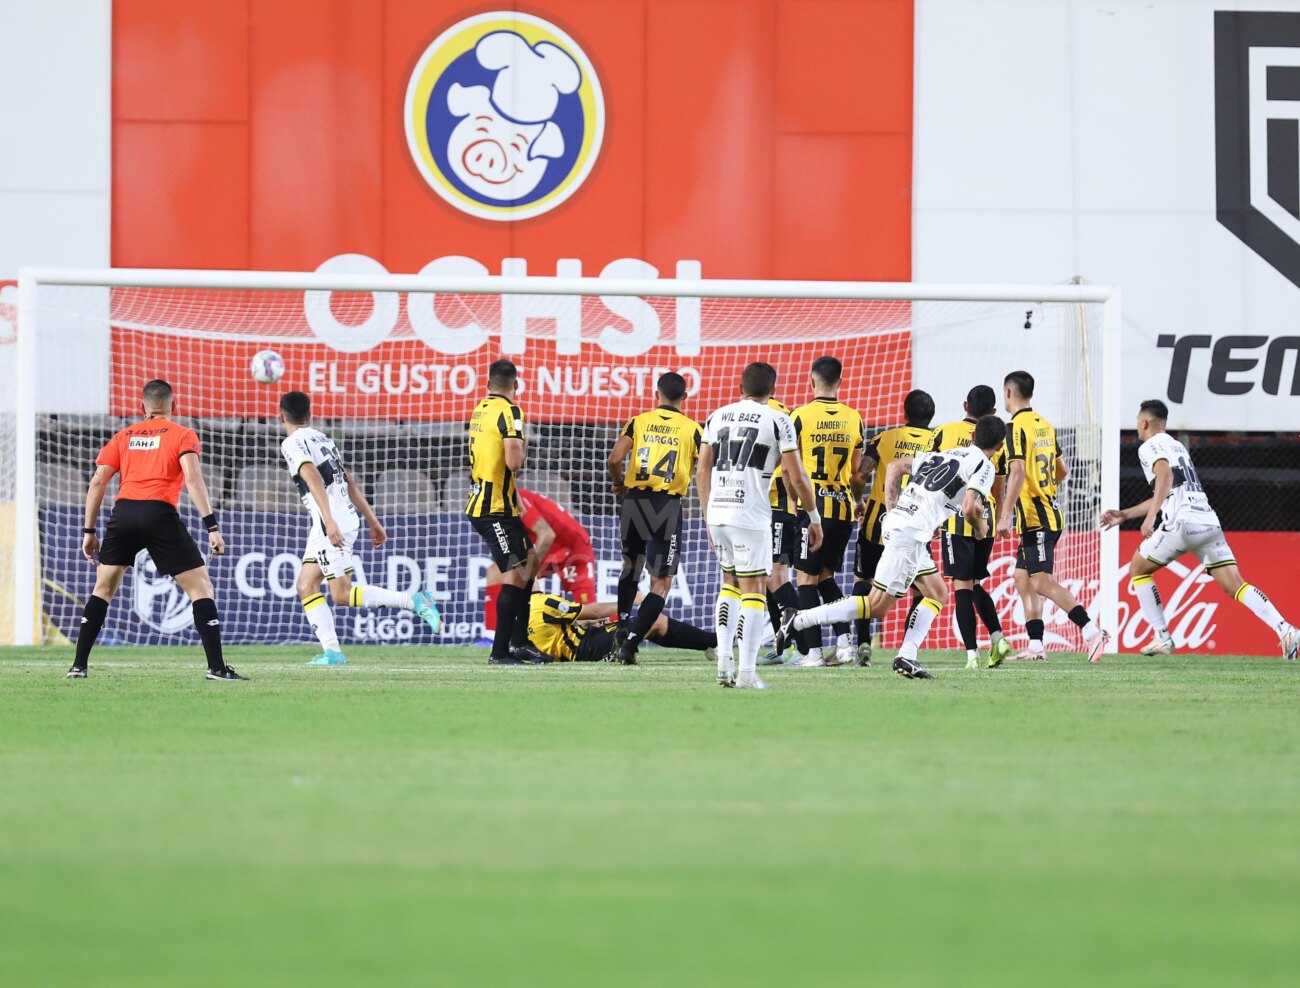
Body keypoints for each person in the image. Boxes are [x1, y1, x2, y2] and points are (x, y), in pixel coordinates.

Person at [778, 415, 1008, 680]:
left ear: (972, 437)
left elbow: (896, 466)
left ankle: (907, 656)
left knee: (937, 593)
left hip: (906, 528)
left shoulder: (949, 453)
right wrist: (980, 527)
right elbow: (969, 507)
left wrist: (894, 509)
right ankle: (797, 620)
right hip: (909, 534)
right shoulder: (986, 466)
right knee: (877, 606)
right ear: (1000, 446)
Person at [70, 379, 243, 681]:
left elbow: (98, 481)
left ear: (142, 407)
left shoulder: (124, 435)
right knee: (201, 589)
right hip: (159, 513)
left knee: (103, 588)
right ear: (173, 406)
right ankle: (216, 668)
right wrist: (211, 527)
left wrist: (89, 530)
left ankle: (78, 666)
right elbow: (193, 479)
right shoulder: (182, 434)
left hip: (123, 514)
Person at [1102, 399, 1299, 659]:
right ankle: (1285, 630)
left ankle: (1162, 637)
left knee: (1137, 569)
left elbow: (1165, 477)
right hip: (1207, 521)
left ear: (1144, 423)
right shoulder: (1178, 447)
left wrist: (1150, 519)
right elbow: (1168, 490)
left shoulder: (1149, 446)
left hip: (1181, 524)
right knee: (1235, 585)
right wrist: (1126, 514)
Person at [279, 391, 441, 665]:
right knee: (306, 585)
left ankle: (415, 602)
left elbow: (313, 478)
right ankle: (332, 652)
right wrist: (372, 520)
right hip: (334, 521)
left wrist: (329, 521)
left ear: (280, 415)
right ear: (310, 414)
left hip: (331, 523)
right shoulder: (323, 438)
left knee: (341, 594)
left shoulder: (292, 442)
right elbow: (348, 482)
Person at [697, 362, 822, 689]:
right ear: (773, 391)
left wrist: (707, 514)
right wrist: (814, 516)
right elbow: (796, 476)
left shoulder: (716, 416)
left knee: (729, 584)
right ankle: (747, 674)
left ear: (740, 388)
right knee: (753, 588)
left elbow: (702, 471)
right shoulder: (779, 419)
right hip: (750, 514)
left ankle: (725, 662)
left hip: (718, 512)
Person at [996, 370, 1108, 663]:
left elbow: (1017, 471)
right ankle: (1036, 646)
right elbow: (1062, 470)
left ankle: (1092, 631)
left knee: (1041, 583)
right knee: (1022, 578)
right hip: (1044, 514)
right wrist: (1044, 489)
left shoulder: (1015, 427)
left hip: (1038, 520)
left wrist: (1005, 514)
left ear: (1008, 393)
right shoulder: (1043, 424)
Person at [606, 372, 702, 664]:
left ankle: (622, 627)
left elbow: (613, 459)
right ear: (685, 398)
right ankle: (632, 643)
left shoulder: (639, 421)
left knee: (630, 567)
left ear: (655, 395)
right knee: (660, 583)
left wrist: (619, 482)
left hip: (634, 501)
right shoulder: (693, 429)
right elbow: (703, 464)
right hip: (666, 505)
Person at [787, 357, 866, 668]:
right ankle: (845, 643)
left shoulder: (800, 416)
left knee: (805, 580)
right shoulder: (854, 418)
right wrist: (858, 500)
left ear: (811, 380)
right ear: (841, 382)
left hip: (814, 507)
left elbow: (790, 470)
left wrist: (794, 502)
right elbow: (858, 474)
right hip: (843, 506)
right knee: (825, 578)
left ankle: (813, 653)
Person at [466, 359, 546, 664]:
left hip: (502, 505)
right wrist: (522, 447)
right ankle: (500, 652)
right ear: (516, 385)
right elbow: (513, 462)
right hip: (492, 510)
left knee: (531, 562)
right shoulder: (511, 412)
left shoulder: (480, 409)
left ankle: (519, 641)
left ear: (488, 384)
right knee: (515, 573)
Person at [930, 385, 1013, 669]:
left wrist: (932, 518)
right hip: (985, 517)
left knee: (962, 587)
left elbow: (932, 475)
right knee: (976, 583)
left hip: (956, 516)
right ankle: (998, 636)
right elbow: (999, 486)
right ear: (993, 411)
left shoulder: (943, 432)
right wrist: (1001, 518)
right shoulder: (998, 438)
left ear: (965, 405)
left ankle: (971, 656)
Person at [852, 390, 936, 665]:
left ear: (904, 413)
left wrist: (859, 500)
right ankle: (907, 647)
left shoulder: (885, 438)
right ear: (931, 416)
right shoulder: (937, 443)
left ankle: (863, 645)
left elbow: (860, 474)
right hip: (915, 522)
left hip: (879, 519)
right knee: (922, 590)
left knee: (863, 583)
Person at [483, 487, 595, 638]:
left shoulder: (515, 498)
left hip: (575, 549)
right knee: (497, 572)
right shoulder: (496, 505)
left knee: (589, 615)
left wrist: (529, 571)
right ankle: (491, 636)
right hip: (548, 547)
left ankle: (633, 607)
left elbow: (547, 535)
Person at [758, 394, 809, 666]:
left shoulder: (776, 415)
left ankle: (803, 648)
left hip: (777, 507)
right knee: (768, 579)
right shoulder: (785, 415)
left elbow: (789, 464)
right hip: (765, 509)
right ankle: (784, 645)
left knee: (776, 577)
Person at [527, 592, 717, 663]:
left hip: (579, 647)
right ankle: (712, 642)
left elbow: (558, 632)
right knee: (652, 621)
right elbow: (593, 612)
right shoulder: (543, 602)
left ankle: (709, 643)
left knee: (648, 624)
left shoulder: (516, 614)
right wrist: (631, 601)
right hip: (586, 648)